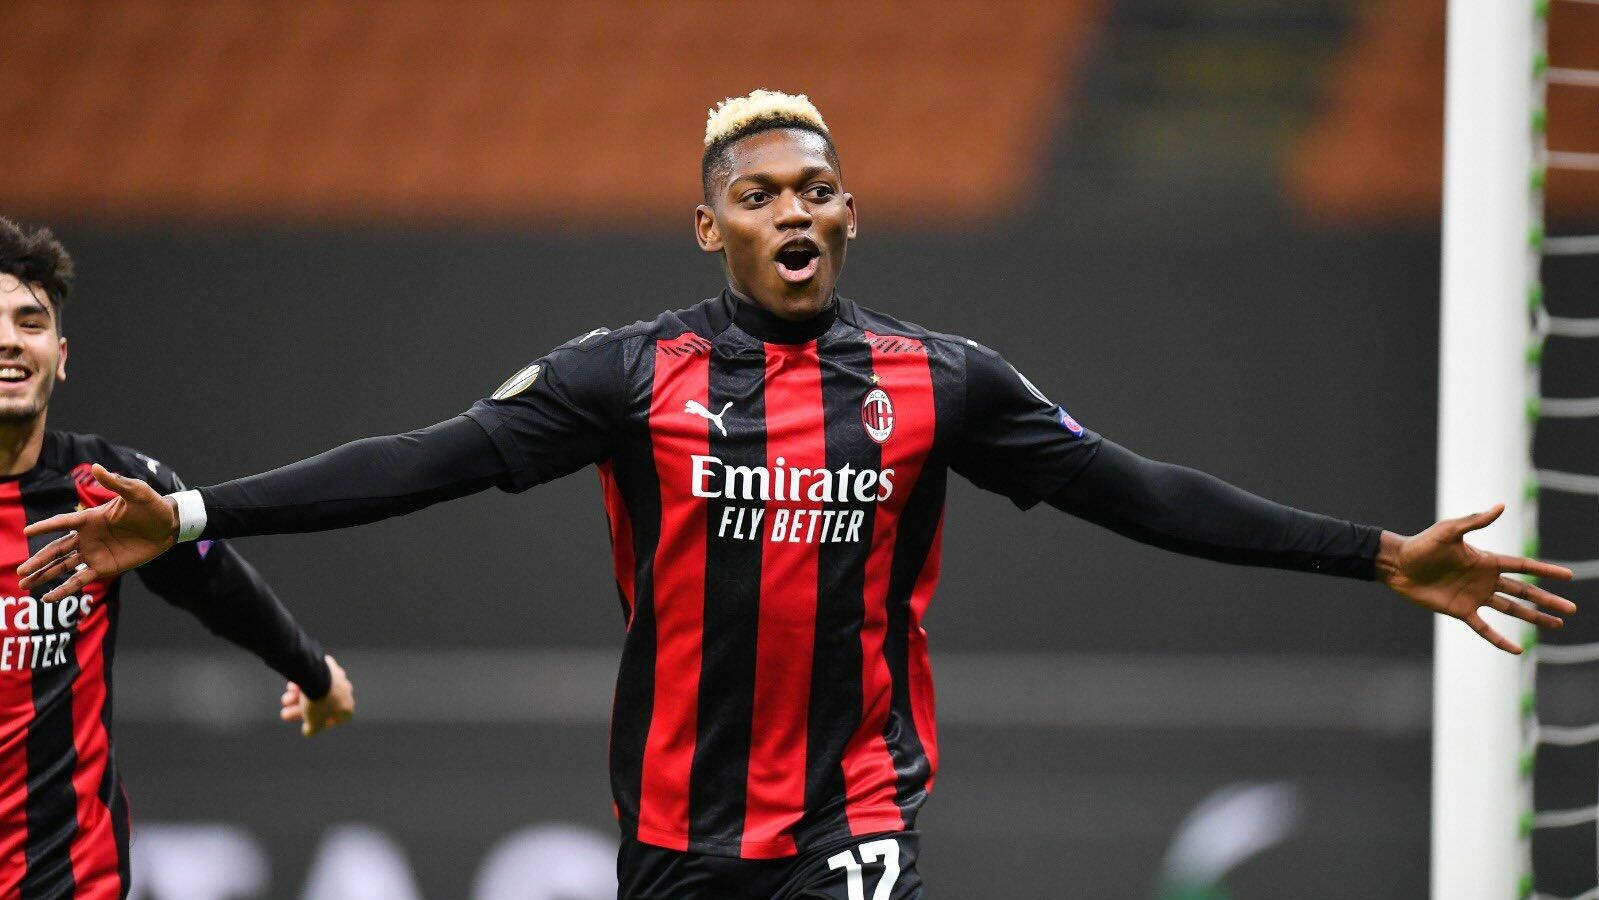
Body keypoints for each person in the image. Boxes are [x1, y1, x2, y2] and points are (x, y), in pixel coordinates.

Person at [15, 91, 1572, 900]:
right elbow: (421, 463)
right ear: (708, 227)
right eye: (757, 195)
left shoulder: (938, 381)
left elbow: (1141, 494)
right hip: (672, 828)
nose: (791, 212)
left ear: (849, 213)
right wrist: (200, 517)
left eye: (814, 189)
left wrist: (1372, 556)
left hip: (854, 812)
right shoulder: (625, 376)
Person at [0, 218, 355, 899]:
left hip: (71, 882)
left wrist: (313, 673)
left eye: (30, 322)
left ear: (61, 355)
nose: (11, 340)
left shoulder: (111, 490)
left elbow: (216, 583)